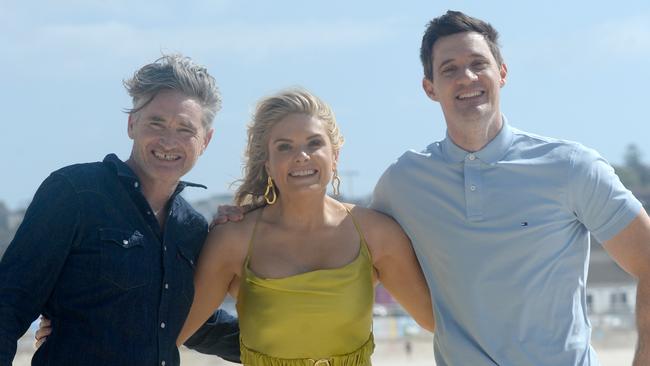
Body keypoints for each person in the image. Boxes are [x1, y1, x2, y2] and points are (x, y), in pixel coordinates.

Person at [370, 10, 650, 365]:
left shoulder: (571, 167)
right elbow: (355, 251)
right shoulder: (403, 183)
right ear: (429, 88)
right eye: (449, 69)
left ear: (501, 73)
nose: (467, 77)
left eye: (478, 63)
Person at [0, 54, 240, 366]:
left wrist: (300, 340)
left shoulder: (192, 227)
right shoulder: (75, 193)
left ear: (205, 140)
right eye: (156, 122)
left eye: (185, 129)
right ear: (131, 124)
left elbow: (190, 321)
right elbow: (10, 303)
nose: (169, 141)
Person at [176, 89, 434, 365]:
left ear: (334, 155)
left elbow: (438, 322)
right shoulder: (233, 240)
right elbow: (171, 335)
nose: (301, 156)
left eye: (314, 143)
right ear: (268, 164)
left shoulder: (377, 235)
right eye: (284, 146)